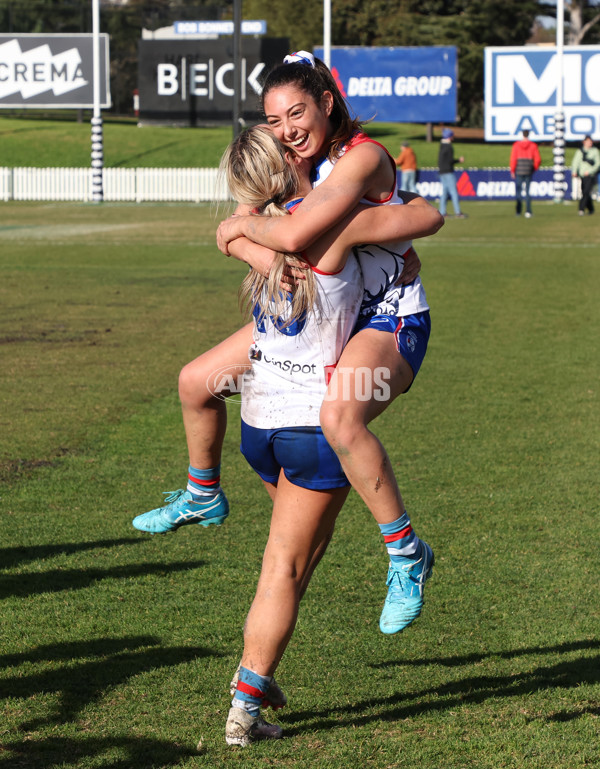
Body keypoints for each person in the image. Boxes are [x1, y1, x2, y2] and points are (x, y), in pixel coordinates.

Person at [134, 50, 443, 639]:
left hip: (385, 322)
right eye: (273, 121)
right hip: (320, 317)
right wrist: (249, 237)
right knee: (198, 382)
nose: (286, 132)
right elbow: (253, 240)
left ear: (327, 103)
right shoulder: (296, 163)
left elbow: (295, 237)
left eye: (296, 113)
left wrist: (248, 229)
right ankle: (202, 494)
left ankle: (406, 555)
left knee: (340, 418)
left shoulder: (363, 157)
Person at [216, 126, 441, 746]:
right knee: (288, 565)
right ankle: (248, 698)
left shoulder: (263, 229)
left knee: (292, 560)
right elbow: (426, 217)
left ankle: (253, 689)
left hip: (258, 418)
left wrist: (241, 231)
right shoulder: (338, 224)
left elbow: (243, 232)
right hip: (309, 421)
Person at [509, 128, 541, 218]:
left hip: (519, 170)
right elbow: (538, 159)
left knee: (518, 192)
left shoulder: (516, 145)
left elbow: (513, 158)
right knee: (527, 191)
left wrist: (512, 170)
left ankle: (518, 211)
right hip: (528, 170)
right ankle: (528, 211)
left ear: (522, 134)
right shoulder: (533, 145)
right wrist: (533, 168)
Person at [437, 128, 466, 219]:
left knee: (445, 192)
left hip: (442, 172)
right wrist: (459, 160)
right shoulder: (449, 146)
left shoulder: (441, 145)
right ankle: (458, 212)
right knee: (454, 192)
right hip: (448, 172)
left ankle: (442, 212)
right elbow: (450, 160)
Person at [571, 135, 600, 216]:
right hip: (582, 175)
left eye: (590, 141)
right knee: (585, 192)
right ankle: (591, 209)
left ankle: (581, 208)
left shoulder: (594, 151)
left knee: (586, 191)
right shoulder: (580, 151)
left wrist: (590, 171)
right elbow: (575, 162)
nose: (589, 143)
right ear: (584, 142)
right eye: (588, 141)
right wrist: (574, 171)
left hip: (591, 175)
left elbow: (598, 163)